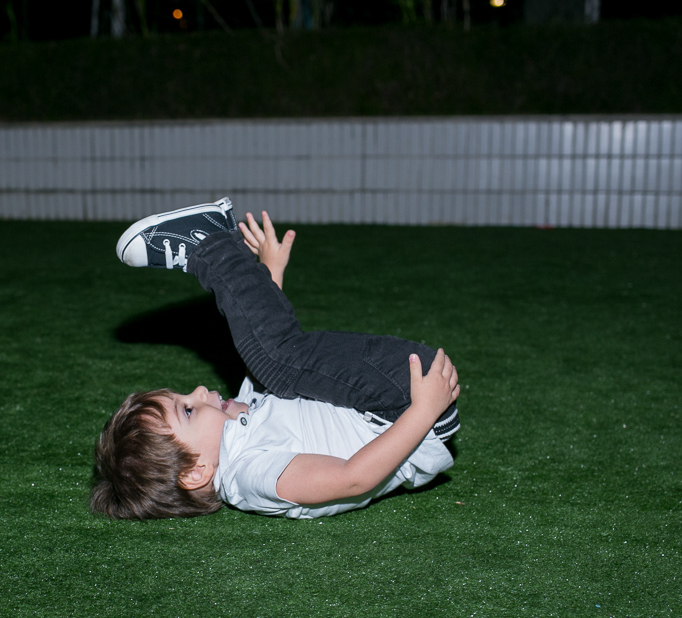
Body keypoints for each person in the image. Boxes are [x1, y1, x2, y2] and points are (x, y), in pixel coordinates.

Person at [90, 197, 461, 520]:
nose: (200, 390)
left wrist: (269, 273)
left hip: (402, 397)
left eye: (183, 396)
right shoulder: (253, 475)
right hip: (405, 411)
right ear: (196, 472)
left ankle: (219, 247)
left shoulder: (239, 424)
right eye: (187, 410)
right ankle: (208, 245)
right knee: (280, 361)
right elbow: (354, 477)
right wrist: (424, 411)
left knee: (278, 362)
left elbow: (277, 359)